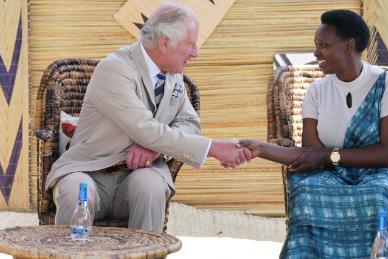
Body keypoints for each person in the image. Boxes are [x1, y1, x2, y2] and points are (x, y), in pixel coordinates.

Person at [240, 10, 388, 258]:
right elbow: (311, 156)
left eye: (323, 46)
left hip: (383, 172)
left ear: (349, 45)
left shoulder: (387, 84)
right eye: (316, 46)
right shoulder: (316, 91)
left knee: (379, 192)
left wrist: (330, 156)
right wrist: (260, 149)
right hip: (329, 174)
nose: (316, 53)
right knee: (306, 190)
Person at [46, 2, 251, 232]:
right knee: (76, 190)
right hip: (90, 170)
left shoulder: (173, 77)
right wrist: (213, 148)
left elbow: (189, 122)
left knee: (151, 186)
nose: (196, 53)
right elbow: (144, 128)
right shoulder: (114, 69)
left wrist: (156, 149)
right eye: (191, 44)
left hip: (137, 176)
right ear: (164, 43)